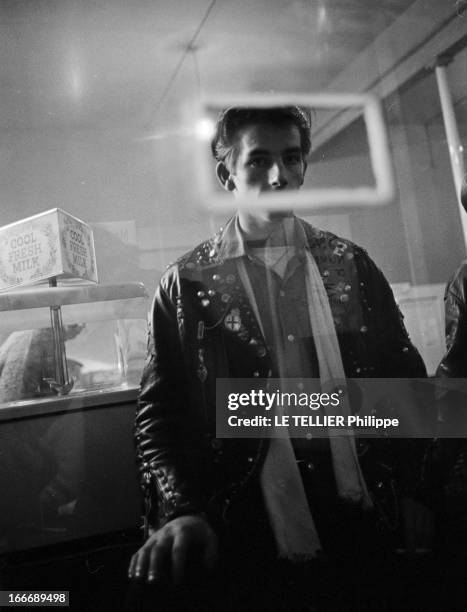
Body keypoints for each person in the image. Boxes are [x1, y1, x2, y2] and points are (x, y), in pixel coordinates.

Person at [129, 106, 428, 610]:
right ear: (227, 174)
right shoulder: (188, 284)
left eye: (291, 158)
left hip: (358, 495)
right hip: (243, 506)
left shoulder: (348, 265)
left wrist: (419, 489)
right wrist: (182, 509)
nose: (278, 175)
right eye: (258, 161)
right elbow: (160, 414)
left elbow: (407, 383)